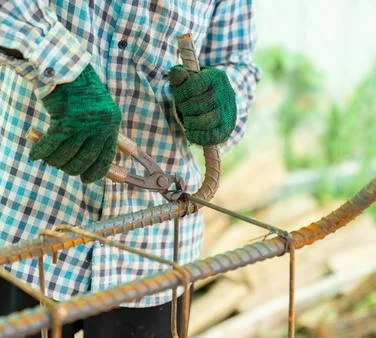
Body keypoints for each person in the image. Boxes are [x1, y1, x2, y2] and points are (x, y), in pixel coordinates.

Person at [0, 1, 260, 337]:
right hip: (25, 223)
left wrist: (224, 100)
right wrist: (63, 74)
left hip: (154, 252)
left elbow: (236, 62)